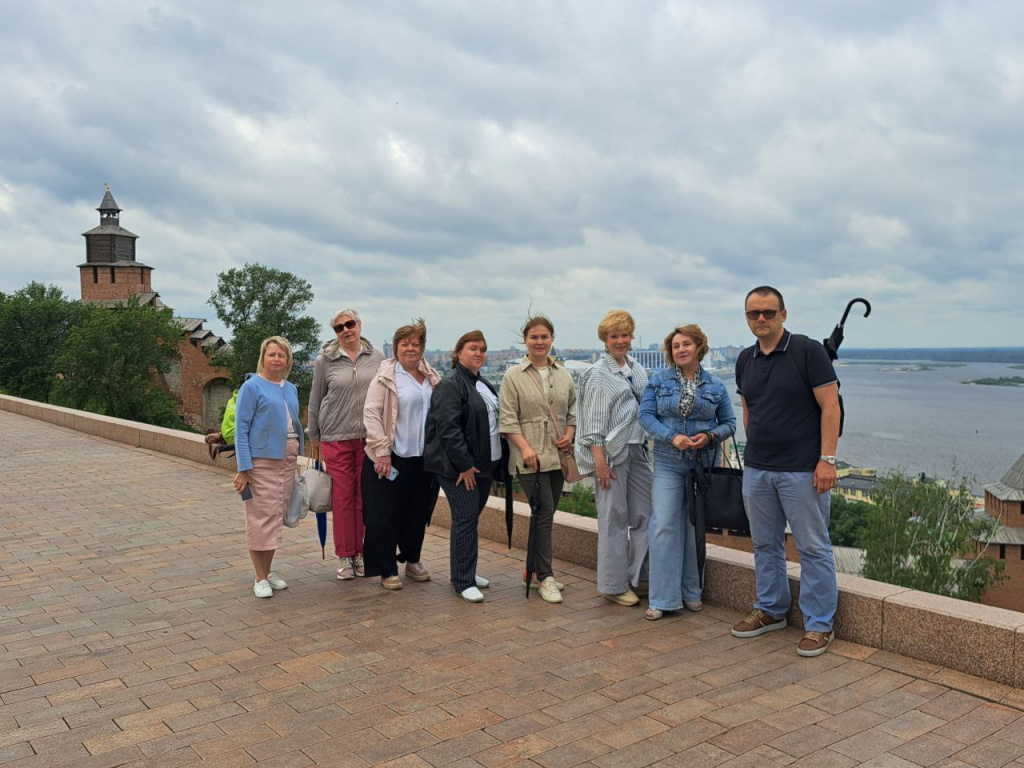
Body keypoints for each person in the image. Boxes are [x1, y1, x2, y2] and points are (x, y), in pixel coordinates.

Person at [732, 286, 841, 657]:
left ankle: (820, 625)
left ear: (783, 314)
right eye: (753, 314)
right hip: (758, 469)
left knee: (812, 547)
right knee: (764, 544)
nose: (760, 319)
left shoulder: (807, 351)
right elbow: (749, 407)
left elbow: (830, 408)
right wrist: (756, 448)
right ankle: (771, 609)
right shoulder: (745, 359)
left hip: (802, 470)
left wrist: (827, 459)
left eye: (767, 312)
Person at [638, 324, 736, 620]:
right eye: (675, 345)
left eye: (686, 344)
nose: (680, 349)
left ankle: (691, 591)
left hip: (701, 465)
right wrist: (670, 437)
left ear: (699, 347)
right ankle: (662, 598)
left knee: (692, 526)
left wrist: (709, 436)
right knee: (665, 524)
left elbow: (730, 423)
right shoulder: (658, 381)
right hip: (668, 461)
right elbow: (645, 416)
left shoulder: (715, 386)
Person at [574, 309, 652, 606]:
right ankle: (613, 584)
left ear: (632, 337)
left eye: (624, 334)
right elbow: (591, 423)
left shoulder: (637, 368)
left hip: (638, 450)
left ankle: (638, 575)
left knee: (648, 513)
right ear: (605, 340)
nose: (620, 340)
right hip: (610, 454)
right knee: (613, 518)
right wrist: (600, 462)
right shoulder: (597, 374)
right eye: (613, 336)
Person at [498, 315, 576, 604]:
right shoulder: (513, 375)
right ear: (526, 341)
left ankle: (532, 569)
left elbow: (572, 412)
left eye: (544, 337)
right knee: (542, 514)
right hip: (529, 457)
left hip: (557, 455)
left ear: (552, 339)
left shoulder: (564, 375)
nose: (539, 342)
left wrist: (569, 433)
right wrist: (524, 448)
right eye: (534, 337)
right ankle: (545, 576)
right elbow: (507, 420)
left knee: (545, 515)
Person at [424, 330, 504, 603]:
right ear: (459, 353)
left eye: (482, 349)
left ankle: (465, 570)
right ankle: (462, 580)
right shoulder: (451, 385)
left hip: (483, 465)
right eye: (472, 348)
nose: (479, 353)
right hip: (458, 468)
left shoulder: (482, 384)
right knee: (466, 517)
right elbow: (448, 430)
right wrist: (465, 465)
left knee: (469, 518)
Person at [362, 319, 442, 590]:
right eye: (405, 343)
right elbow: (371, 413)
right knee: (385, 515)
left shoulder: (431, 377)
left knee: (416, 513)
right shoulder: (386, 376)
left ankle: (412, 559)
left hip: (421, 459)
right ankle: (387, 568)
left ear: (422, 348)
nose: (410, 348)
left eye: (416, 343)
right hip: (391, 457)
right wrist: (382, 451)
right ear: (396, 347)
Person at [308, 308, 384, 581]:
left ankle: (360, 554)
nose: (345, 330)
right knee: (342, 498)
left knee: (363, 498)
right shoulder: (325, 360)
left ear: (359, 325)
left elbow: (386, 394)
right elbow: (316, 398)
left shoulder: (376, 357)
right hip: (336, 437)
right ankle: (344, 556)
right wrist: (313, 435)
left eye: (349, 324)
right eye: (339, 327)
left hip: (367, 437)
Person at [233, 336, 304, 598]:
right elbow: (241, 430)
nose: (276, 359)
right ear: (263, 357)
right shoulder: (251, 387)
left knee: (276, 514)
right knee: (259, 516)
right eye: (272, 354)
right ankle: (259, 576)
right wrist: (244, 468)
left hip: (287, 458)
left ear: (287, 360)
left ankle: (269, 570)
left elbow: (295, 423)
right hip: (261, 462)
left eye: (281, 355)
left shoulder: (291, 388)